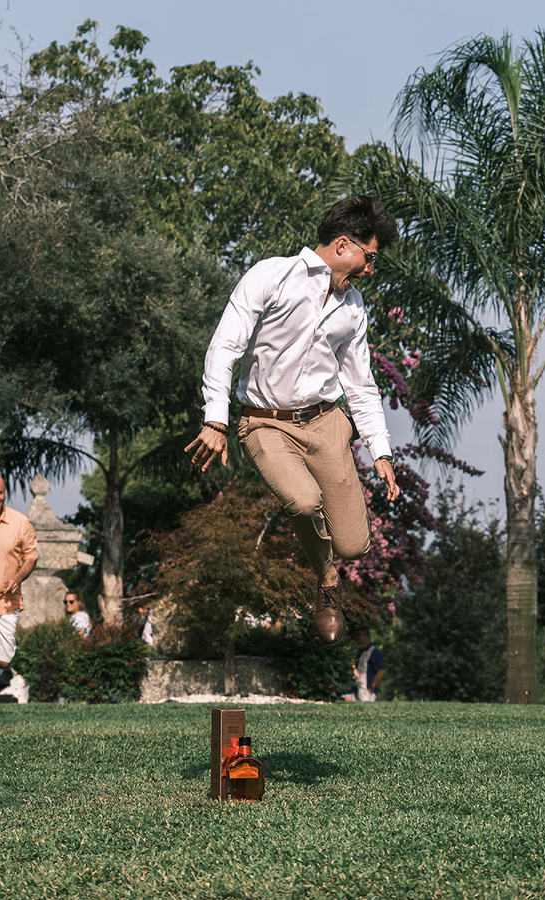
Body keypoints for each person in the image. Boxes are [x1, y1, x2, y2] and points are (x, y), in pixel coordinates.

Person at [186, 195, 402, 646]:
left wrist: (380, 450)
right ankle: (326, 582)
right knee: (304, 502)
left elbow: (361, 385)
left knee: (353, 545)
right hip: (265, 423)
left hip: (325, 423)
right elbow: (224, 347)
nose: (370, 269)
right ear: (343, 245)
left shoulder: (353, 308)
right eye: (370, 257)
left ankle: (336, 565)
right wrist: (215, 420)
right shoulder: (271, 276)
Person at [0, 473, 38, 696]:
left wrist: (18, 576)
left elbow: (31, 557)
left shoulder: (20, 522)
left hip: (7, 601)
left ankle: (2, 673)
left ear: (5, 494)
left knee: (3, 659)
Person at [352, 627, 386, 702]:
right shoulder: (360, 652)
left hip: (367, 692)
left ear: (366, 636)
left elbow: (381, 671)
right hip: (358, 690)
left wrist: (371, 689)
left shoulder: (375, 652)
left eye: (358, 635)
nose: (356, 638)